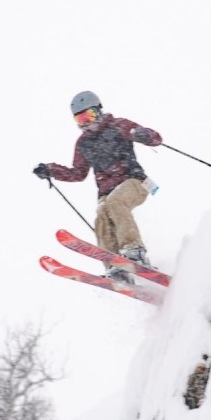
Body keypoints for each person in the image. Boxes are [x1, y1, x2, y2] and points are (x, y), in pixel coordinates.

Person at [34, 91, 163, 284]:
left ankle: (134, 251)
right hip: (106, 191)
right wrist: (51, 170)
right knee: (102, 214)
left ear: (99, 111)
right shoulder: (84, 143)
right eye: (81, 118)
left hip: (134, 181)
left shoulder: (119, 126)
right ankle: (116, 267)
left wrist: (144, 135)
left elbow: (155, 139)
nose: (86, 122)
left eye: (89, 116)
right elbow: (78, 173)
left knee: (114, 202)